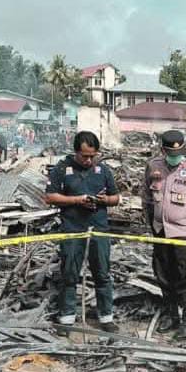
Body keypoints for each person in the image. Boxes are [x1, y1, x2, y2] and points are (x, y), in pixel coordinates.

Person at [45, 131, 120, 335]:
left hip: (99, 229)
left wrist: (103, 201)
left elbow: (116, 198)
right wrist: (77, 200)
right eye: (85, 156)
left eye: (92, 156)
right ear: (75, 151)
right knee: (70, 273)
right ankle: (67, 318)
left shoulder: (102, 170)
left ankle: (106, 317)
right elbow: (50, 197)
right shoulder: (62, 169)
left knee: (102, 274)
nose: (89, 160)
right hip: (73, 229)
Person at [141, 130, 186, 340]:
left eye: (179, 151)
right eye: (171, 152)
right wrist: (150, 223)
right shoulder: (153, 166)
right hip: (161, 231)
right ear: (163, 149)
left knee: (185, 277)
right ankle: (171, 314)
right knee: (163, 275)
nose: (175, 155)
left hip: (184, 232)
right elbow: (146, 196)